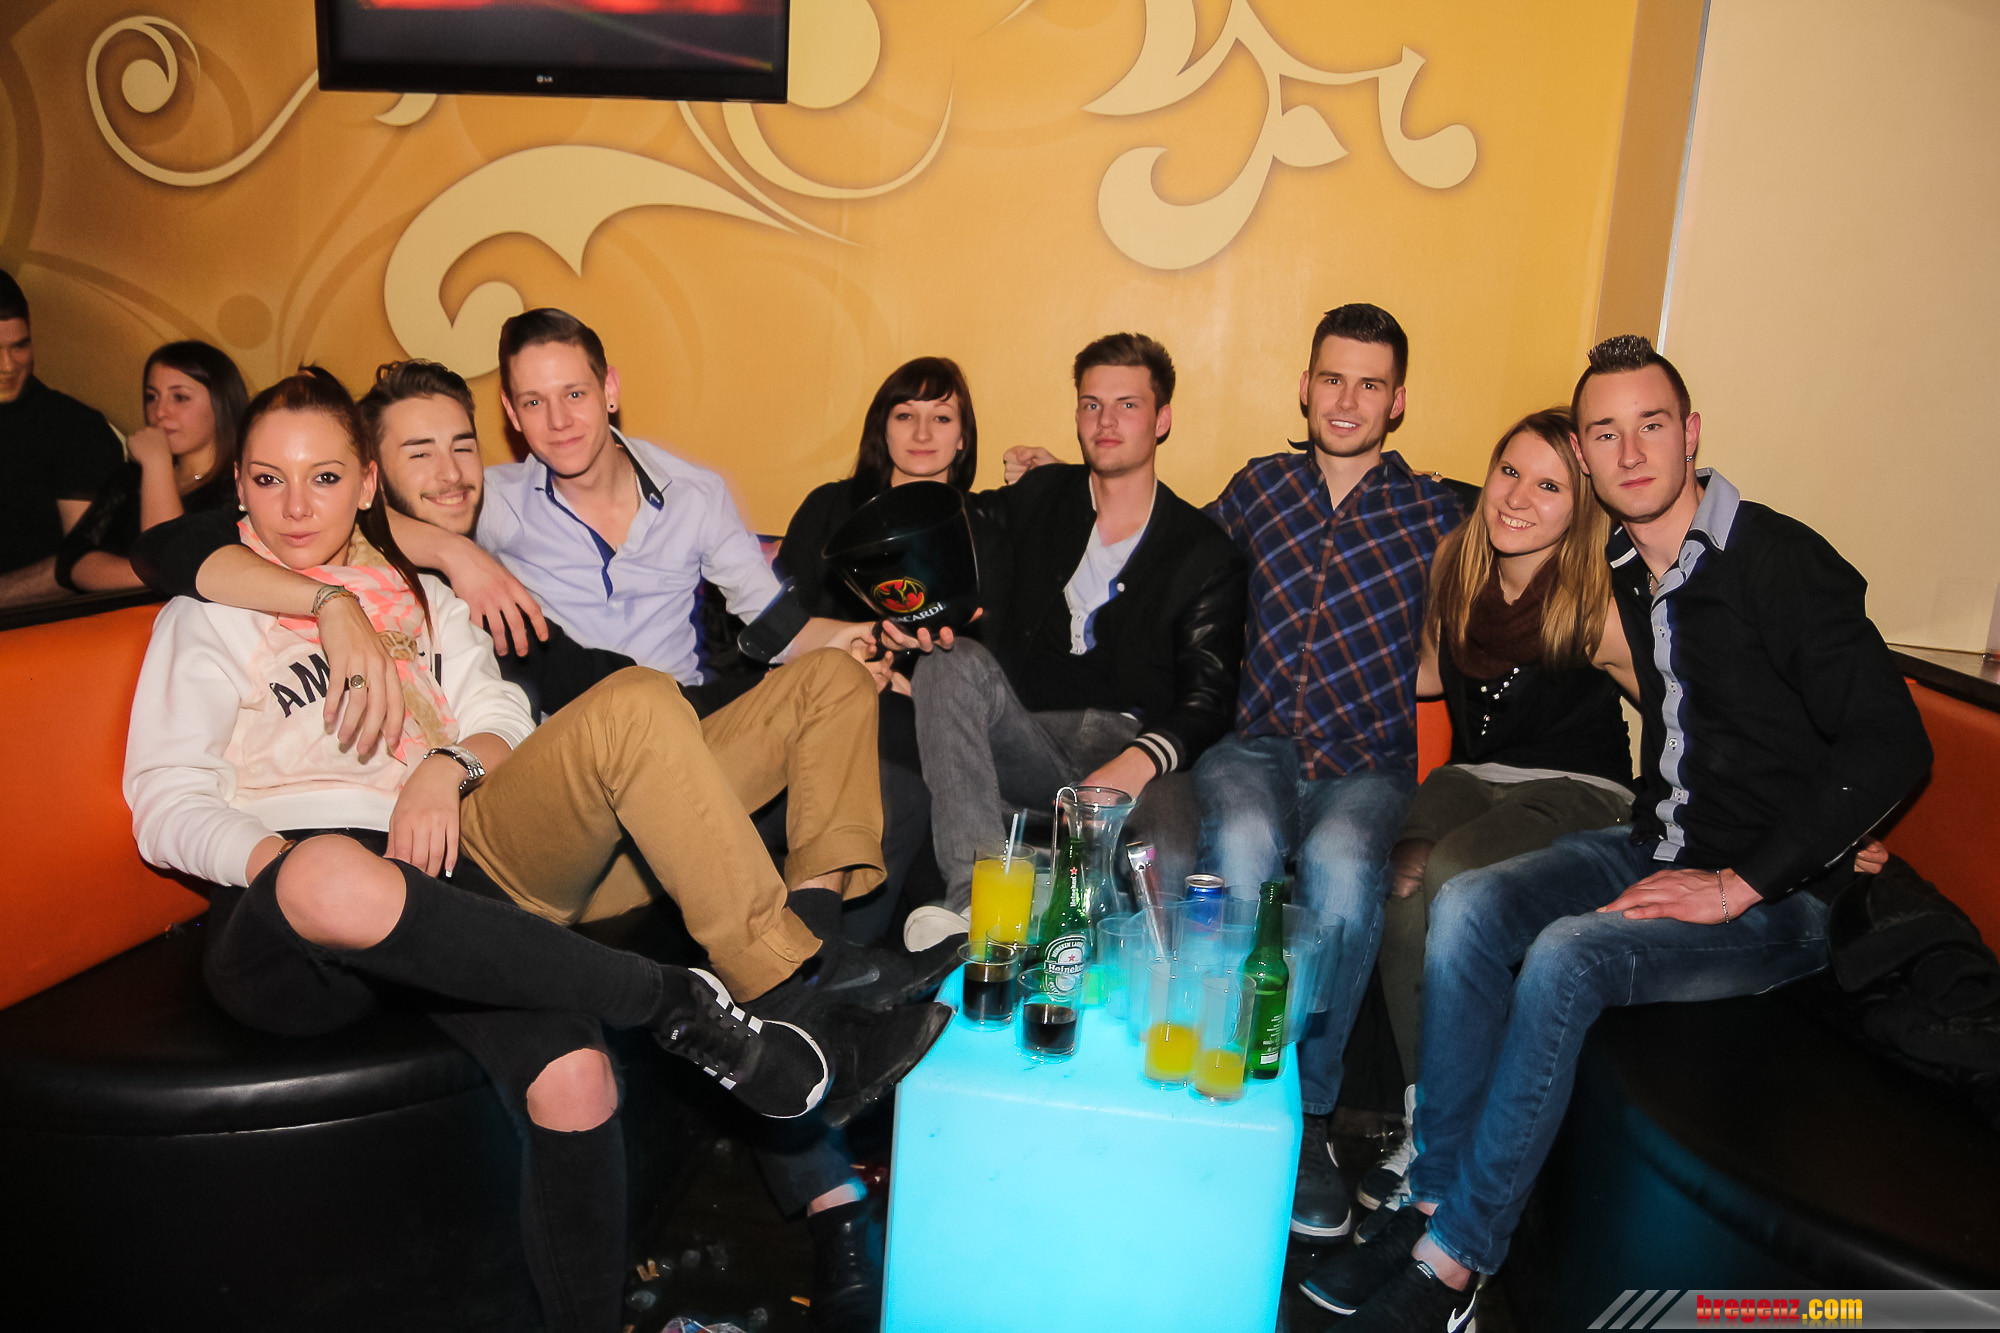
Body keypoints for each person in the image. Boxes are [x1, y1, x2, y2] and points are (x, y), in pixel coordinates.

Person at [131, 351, 948, 1333]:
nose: (297, 505)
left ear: (363, 485)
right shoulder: (206, 614)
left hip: (458, 860)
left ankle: (803, 980)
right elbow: (165, 799)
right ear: (240, 484)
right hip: (298, 898)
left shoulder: (424, 596)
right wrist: (274, 862)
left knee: (576, 1073)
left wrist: (442, 766)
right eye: (269, 478)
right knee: (334, 871)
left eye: (325, 476)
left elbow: (500, 716)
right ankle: (708, 1007)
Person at [1300, 335, 1932, 1332]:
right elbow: (1492, 536)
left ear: (1690, 434)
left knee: (1565, 955)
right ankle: (1431, 1195)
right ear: (1588, 459)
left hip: (1777, 899)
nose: (1629, 451)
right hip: (1656, 842)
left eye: (1650, 425)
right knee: (1467, 906)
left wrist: (1750, 876)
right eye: (1605, 432)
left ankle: (1456, 1264)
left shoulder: (1775, 561)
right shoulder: (1627, 571)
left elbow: (1891, 741)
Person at [1194, 303, 1465, 1242]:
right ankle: (1227, 1089)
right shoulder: (1257, 489)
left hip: (1366, 760)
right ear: (1305, 386)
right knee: (1242, 840)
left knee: (1346, 868)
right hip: (1253, 743)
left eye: (1370, 384)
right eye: (1333, 378)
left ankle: (1305, 1120)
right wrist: (1057, 488)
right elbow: (1164, 551)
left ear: (1398, 402)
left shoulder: (1436, 510)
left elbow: (1536, 529)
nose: (1348, 400)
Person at [1361, 406, 1638, 1216]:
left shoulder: (1595, 601)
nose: (1517, 497)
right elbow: (1422, 673)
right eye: (1509, 471)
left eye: (1549, 486)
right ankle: (1429, 1118)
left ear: (1581, 507)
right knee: (1401, 879)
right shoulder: (1458, 562)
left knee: (1451, 872)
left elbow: (1689, 702)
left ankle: (1447, 1141)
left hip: (1578, 786)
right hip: (1471, 777)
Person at [888, 332, 1247, 946]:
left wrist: (1135, 764)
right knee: (949, 662)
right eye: (1091, 404)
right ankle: (977, 909)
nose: (1106, 421)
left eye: (1127, 405)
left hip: (1137, 745)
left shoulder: (1203, 551)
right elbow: (952, 530)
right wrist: (902, 614)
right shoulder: (1042, 497)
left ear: (1161, 420)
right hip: (1029, 736)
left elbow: (1210, 697)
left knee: (1168, 843)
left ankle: (1144, 975)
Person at [778, 356, 1000, 942]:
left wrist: (919, 686)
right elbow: (777, 626)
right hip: (827, 695)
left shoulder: (986, 527)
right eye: (905, 415)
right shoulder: (830, 509)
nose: (922, 433)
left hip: (934, 717)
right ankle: (846, 953)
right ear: (883, 427)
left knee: (907, 755)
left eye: (941, 417)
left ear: (963, 437)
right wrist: (851, 666)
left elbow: (994, 659)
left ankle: (857, 952)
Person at [58, 340, 247, 592]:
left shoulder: (242, 486)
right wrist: (152, 574)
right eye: (151, 397)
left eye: (179, 397)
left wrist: (157, 463)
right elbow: (72, 561)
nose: (160, 412)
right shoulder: (131, 477)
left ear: (221, 402)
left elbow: (173, 561)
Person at [0, 267, 126, 607]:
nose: (8, 365)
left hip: (38, 625)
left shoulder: (74, 428)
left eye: (20, 346)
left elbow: (86, 561)